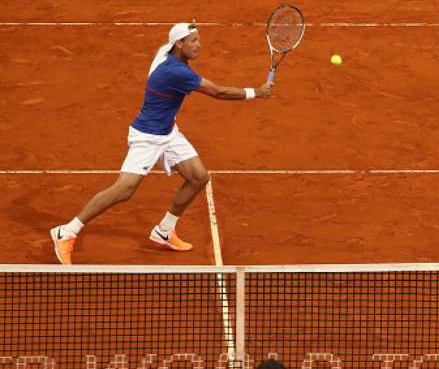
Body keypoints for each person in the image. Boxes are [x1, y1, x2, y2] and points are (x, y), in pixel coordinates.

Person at [50, 21, 273, 265]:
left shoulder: (163, 53)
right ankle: (66, 232)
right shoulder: (177, 73)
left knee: (199, 177)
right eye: (193, 41)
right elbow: (218, 92)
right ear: (179, 44)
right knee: (124, 190)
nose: (199, 46)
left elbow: (166, 44)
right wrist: (257, 93)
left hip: (168, 132)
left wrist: (187, 27)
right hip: (147, 137)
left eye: (198, 39)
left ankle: (164, 230)